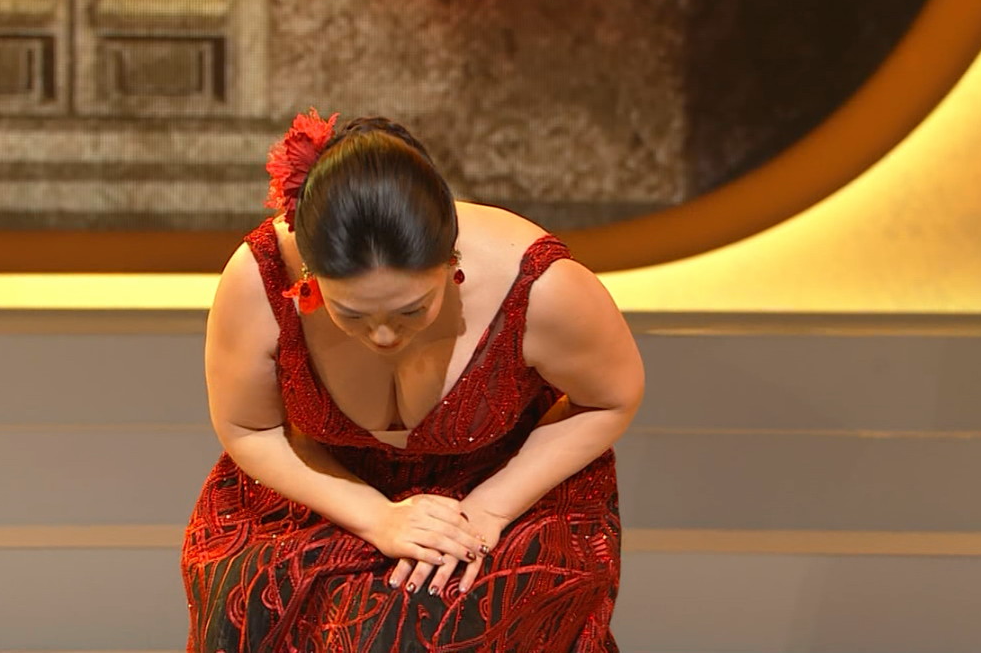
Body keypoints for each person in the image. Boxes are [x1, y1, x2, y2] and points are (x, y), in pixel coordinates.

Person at [181, 110, 644, 652]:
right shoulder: (258, 277)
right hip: (322, 481)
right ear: (309, 274)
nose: (382, 336)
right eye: (351, 313)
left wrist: (489, 509)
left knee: (417, 621)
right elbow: (249, 428)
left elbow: (608, 400)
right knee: (254, 592)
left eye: (412, 309)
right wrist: (376, 517)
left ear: (451, 263)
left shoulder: (539, 285)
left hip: (500, 480)